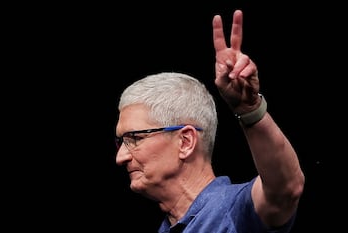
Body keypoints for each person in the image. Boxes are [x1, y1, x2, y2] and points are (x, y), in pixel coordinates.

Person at [114, 9, 305, 233]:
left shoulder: (233, 211)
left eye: (134, 138)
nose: (121, 157)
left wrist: (250, 110)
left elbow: (286, 190)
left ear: (185, 141)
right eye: (121, 142)